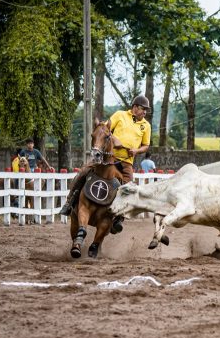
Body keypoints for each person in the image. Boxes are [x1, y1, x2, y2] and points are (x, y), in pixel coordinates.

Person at [59, 95, 151, 234]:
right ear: (135, 107)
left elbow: (146, 145)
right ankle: (69, 202)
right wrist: (116, 141)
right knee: (83, 172)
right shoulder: (120, 115)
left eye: (146, 110)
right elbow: (104, 129)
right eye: (143, 109)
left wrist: (136, 150)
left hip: (126, 162)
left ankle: (118, 218)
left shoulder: (146, 125)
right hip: (108, 158)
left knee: (129, 188)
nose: (145, 112)